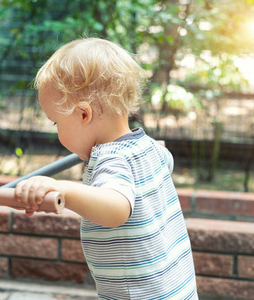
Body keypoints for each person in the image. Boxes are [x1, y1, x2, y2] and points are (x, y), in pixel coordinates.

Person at [14, 38, 197, 299]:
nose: (57, 133)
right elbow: (167, 162)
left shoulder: (112, 158)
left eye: (56, 123)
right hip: (177, 289)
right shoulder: (148, 147)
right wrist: (153, 151)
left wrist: (61, 188)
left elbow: (115, 210)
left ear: (84, 115)